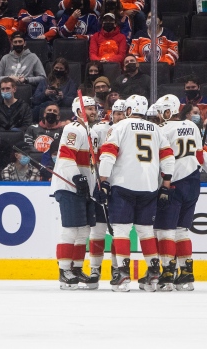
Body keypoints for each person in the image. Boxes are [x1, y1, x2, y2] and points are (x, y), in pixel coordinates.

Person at [96, 94, 175, 292]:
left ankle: (122, 273)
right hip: (149, 186)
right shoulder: (157, 129)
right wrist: (165, 185)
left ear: (128, 110)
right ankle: (154, 272)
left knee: (121, 229)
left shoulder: (119, 127)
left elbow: (107, 154)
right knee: (146, 230)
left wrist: (103, 181)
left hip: (123, 185)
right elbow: (168, 158)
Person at [150, 94, 207, 291]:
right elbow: (200, 156)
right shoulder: (192, 126)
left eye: (160, 111)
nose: (158, 115)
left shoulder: (162, 130)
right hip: (193, 183)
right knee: (182, 230)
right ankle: (187, 273)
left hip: (172, 183)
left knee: (164, 230)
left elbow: (156, 159)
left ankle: (167, 273)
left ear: (168, 110)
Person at [50, 95, 98, 290]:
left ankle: (77, 268)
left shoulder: (90, 132)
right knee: (70, 230)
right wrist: (78, 178)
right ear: (79, 111)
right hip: (70, 186)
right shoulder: (73, 129)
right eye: (89, 109)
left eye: (95, 108)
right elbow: (67, 157)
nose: (94, 111)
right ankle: (64, 270)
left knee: (84, 230)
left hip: (85, 188)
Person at [87, 98, 125, 285]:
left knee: (117, 231)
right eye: (116, 113)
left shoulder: (129, 132)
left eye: (121, 113)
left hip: (120, 187)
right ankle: (95, 270)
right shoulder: (100, 130)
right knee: (98, 230)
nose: (118, 117)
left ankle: (117, 268)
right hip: (101, 185)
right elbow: (91, 156)